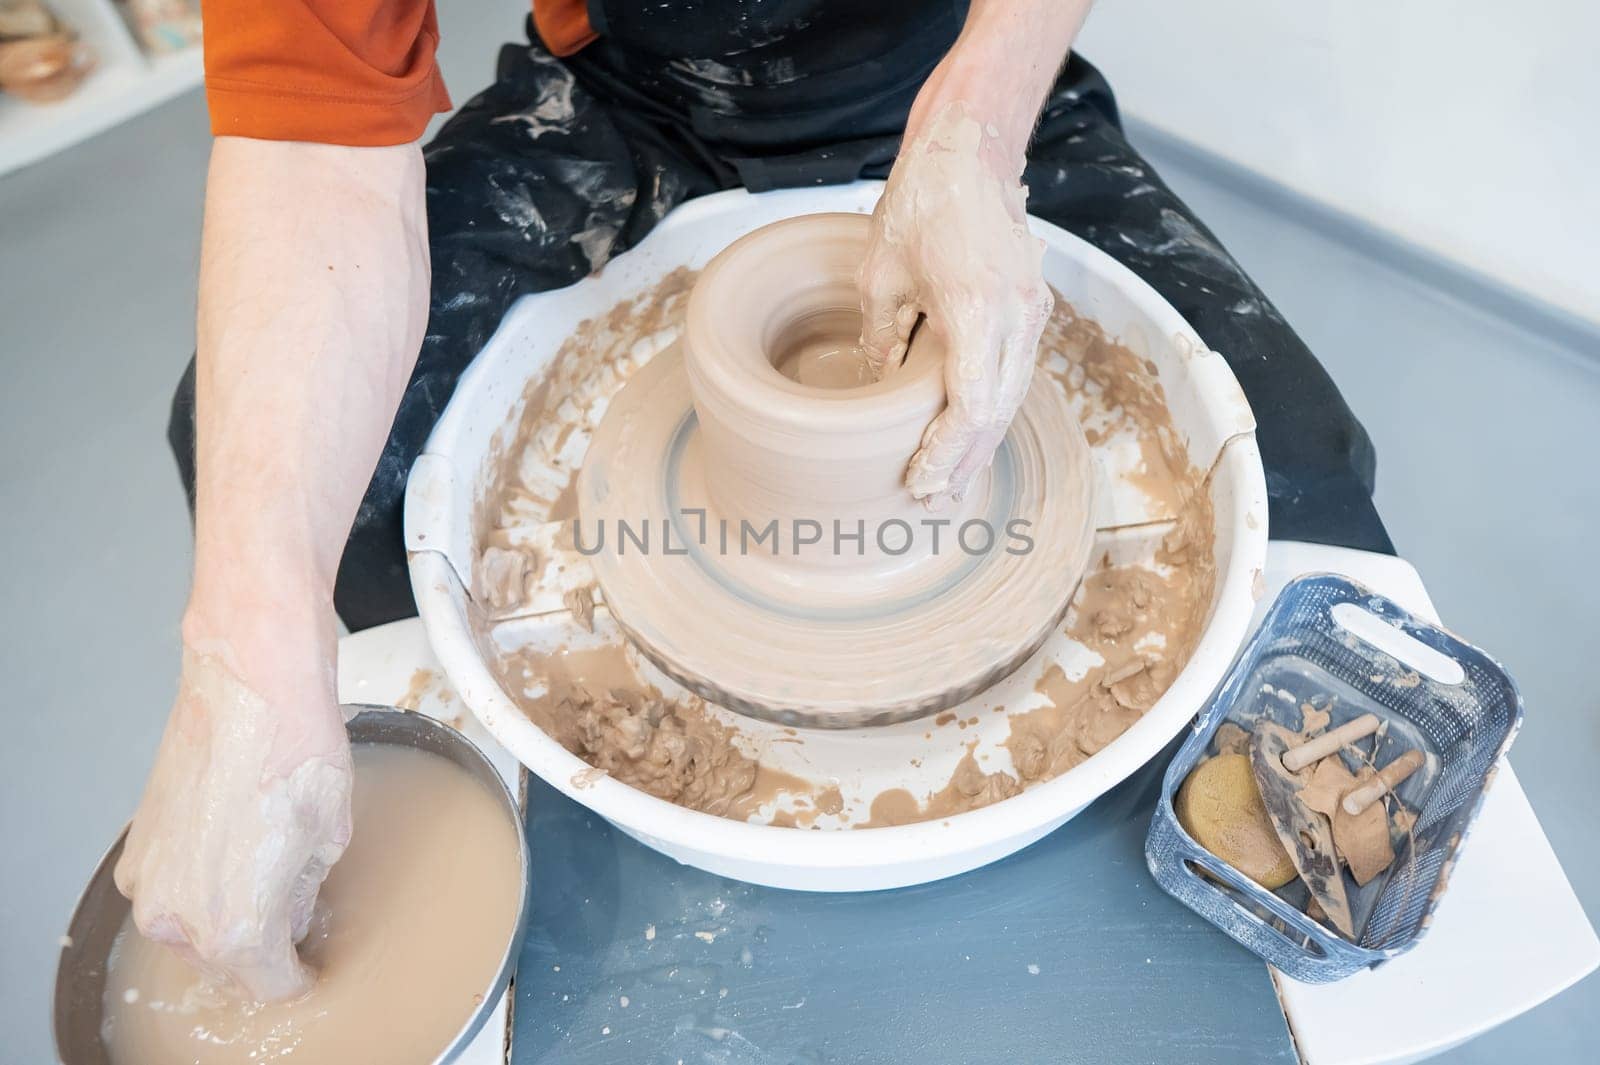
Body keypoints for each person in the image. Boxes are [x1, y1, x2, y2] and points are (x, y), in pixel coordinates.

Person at [116, 0, 1393, 1000]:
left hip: (954, 76)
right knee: (321, 496)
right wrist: (245, 646)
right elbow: (316, 134)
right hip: (624, 97)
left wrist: (974, 129)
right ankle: (556, 874)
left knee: (1303, 471)